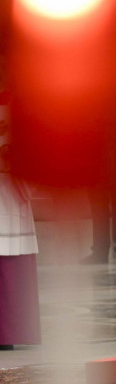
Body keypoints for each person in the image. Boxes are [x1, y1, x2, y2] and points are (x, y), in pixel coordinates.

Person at [0, 72, 40, 349]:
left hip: (11, 199)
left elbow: (39, 152)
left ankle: (10, 334)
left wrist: (14, 156)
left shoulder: (25, 108)